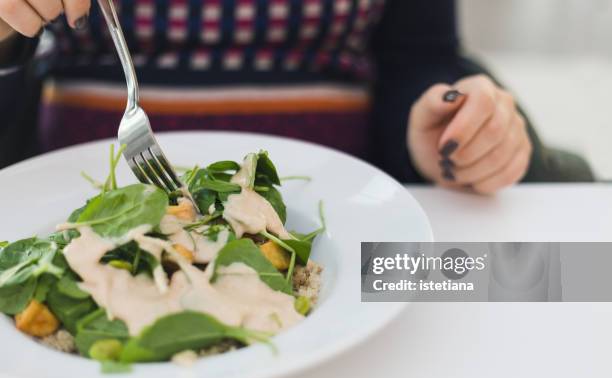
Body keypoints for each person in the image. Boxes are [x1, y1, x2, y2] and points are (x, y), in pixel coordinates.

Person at [0, 0, 594, 193]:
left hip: (344, 222)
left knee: (568, 273)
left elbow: (417, 55)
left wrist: (431, 126)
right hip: (59, 204)